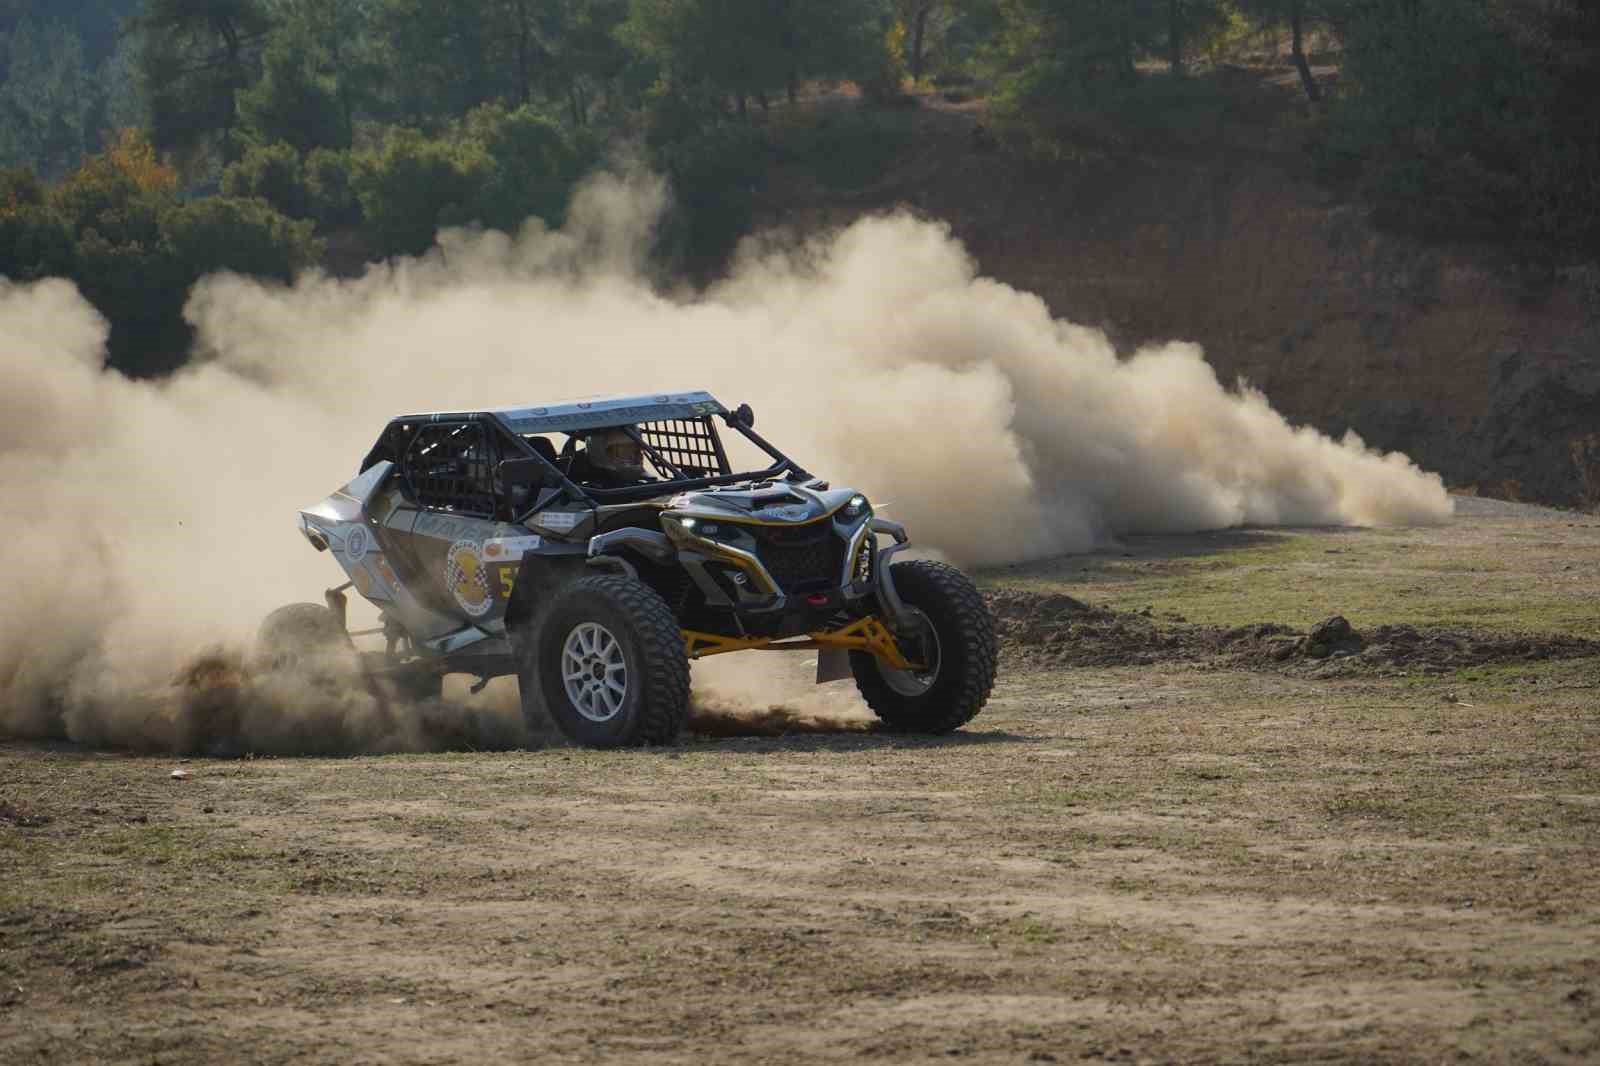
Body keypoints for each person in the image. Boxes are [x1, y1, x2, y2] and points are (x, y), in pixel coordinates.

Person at [573, 428, 649, 488]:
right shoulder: (585, 494)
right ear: (600, 454)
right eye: (621, 452)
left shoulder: (651, 485)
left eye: (634, 451)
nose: (631, 457)